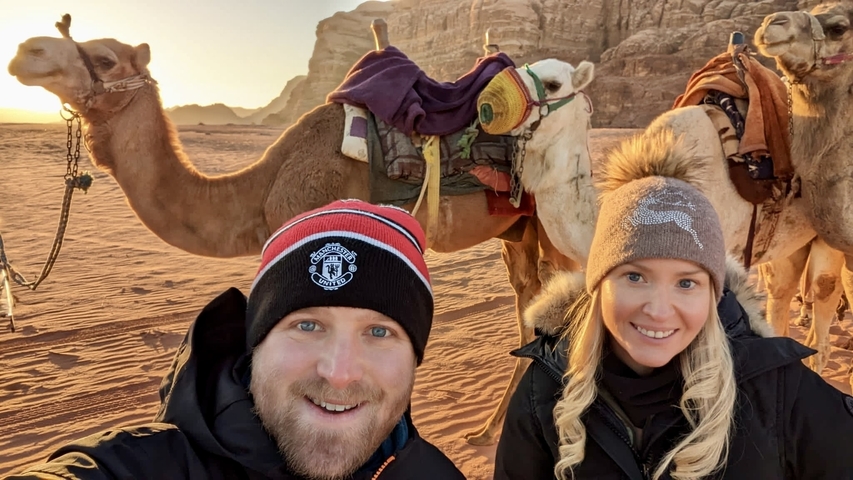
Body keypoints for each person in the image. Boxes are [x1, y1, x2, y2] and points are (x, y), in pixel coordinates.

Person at [10, 199, 465, 480]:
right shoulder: (149, 463)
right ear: (256, 342)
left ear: (414, 359)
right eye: (307, 325)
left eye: (380, 332)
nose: (339, 373)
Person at [493, 164, 853, 479]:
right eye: (635, 277)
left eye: (686, 283)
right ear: (598, 284)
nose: (660, 310)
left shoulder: (775, 389)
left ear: (713, 295)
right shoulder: (544, 391)